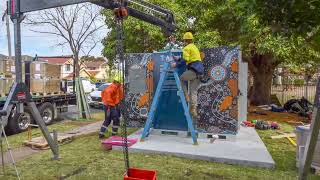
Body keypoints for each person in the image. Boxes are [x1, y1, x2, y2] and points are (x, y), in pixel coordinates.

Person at [172, 32, 204, 118]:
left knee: (182, 78)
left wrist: (176, 64)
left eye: (184, 41)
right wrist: (178, 59)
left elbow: (185, 60)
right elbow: (190, 58)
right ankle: (194, 109)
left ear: (185, 41)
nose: (183, 42)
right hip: (200, 72)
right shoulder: (194, 47)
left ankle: (186, 95)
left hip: (194, 70)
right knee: (193, 91)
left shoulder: (186, 48)